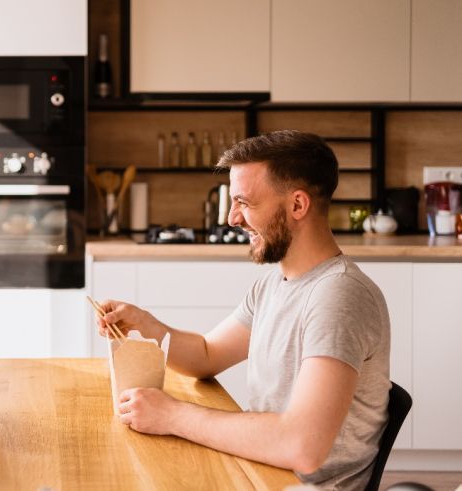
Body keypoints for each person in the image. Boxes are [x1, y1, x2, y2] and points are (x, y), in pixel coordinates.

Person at [96, 130, 390, 490]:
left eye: (245, 203)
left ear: (298, 206)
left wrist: (172, 415)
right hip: (260, 470)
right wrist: (146, 323)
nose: (233, 218)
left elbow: (302, 447)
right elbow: (206, 355)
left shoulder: (338, 297)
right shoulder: (273, 285)